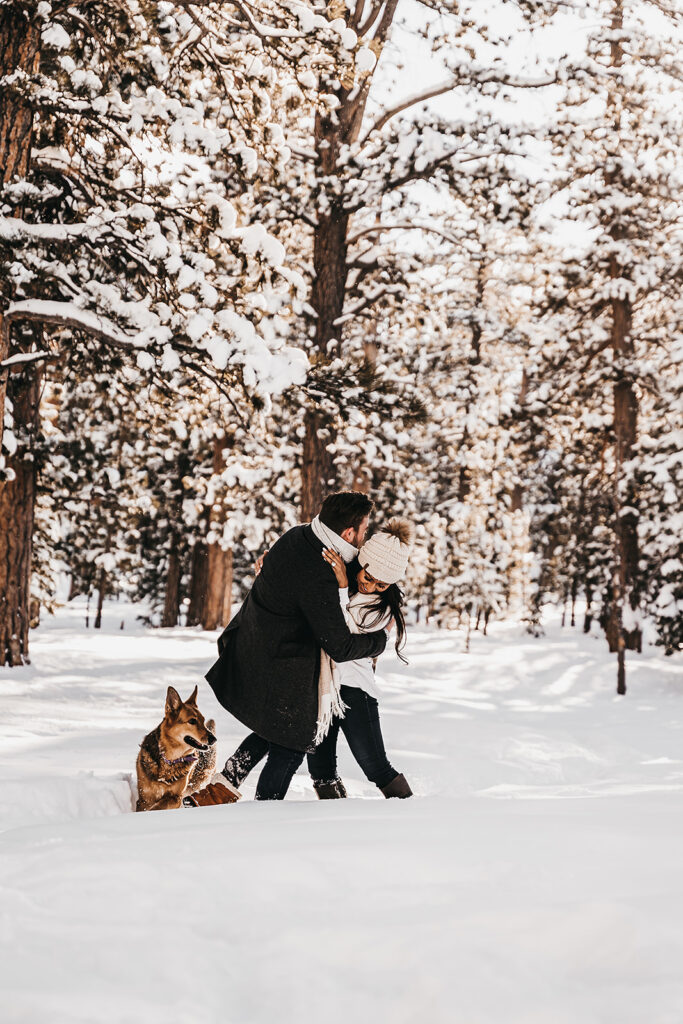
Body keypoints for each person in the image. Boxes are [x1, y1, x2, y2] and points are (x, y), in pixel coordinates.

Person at [199, 492, 389, 801]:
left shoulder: (302, 534)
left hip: (260, 646)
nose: (364, 538)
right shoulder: (321, 570)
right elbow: (339, 646)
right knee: (291, 743)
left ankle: (225, 783)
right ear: (348, 533)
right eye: (364, 530)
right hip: (284, 662)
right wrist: (378, 642)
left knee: (273, 729)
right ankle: (266, 808)